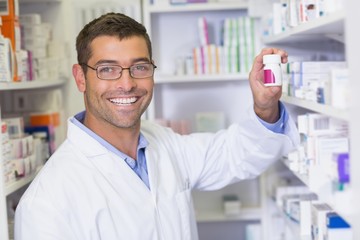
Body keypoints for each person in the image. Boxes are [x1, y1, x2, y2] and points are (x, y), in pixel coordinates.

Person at [14, 12, 299, 240]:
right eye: (108, 69)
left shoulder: (163, 142)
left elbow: (235, 155)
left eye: (139, 67)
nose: (126, 84)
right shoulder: (46, 202)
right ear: (81, 78)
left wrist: (264, 106)